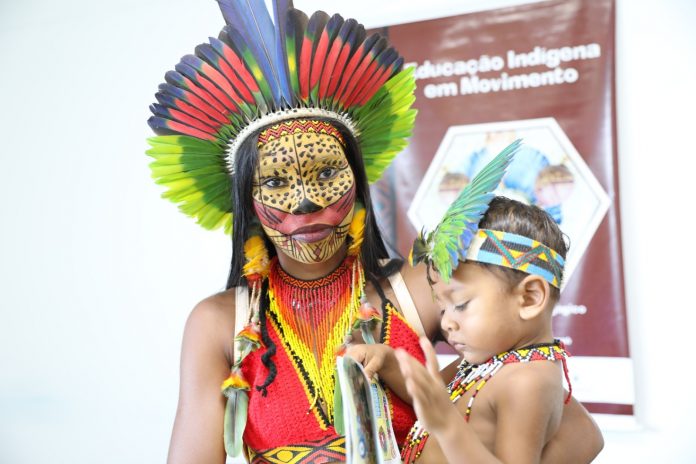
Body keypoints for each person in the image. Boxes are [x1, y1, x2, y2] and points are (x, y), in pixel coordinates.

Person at [145, 1, 602, 462]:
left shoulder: (418, 294)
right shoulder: (220, 323)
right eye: (277, 182)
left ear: (357, 182)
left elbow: (577, 428)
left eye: (326, 174)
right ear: (247, 201)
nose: (306, 201)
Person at [348, 196, 602, 463]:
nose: (446, 322)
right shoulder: (486, 360)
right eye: (442, 307)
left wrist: (448, 426)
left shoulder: (527, 382)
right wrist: (387, 361)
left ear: (530, 297)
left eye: (461, 304)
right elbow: (427, 394)